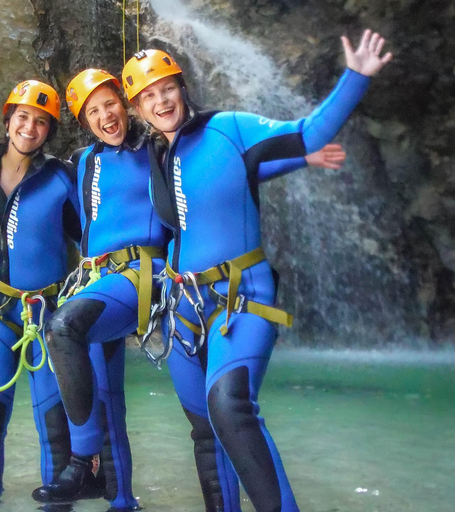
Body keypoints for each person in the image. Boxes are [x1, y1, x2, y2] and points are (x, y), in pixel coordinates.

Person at [36, 69, 345, 512]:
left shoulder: (158, 146)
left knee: (225, 410)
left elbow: (227, 165)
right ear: (83, 121)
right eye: (93, 111)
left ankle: (83, 462)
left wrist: (299, 157)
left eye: (111, 103)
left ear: (129, 107)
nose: (106, 115)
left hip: (148, 279)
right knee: (115, 397)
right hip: (101, 283)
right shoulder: (82, 163)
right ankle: (116, 497)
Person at [121, 30, 392, 512]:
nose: (160, 100)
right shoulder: (157, 156)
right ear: (138, 110)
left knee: (229, 405)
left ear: (182, 88)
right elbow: (221, 186)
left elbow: (305, 133)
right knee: (205, 430)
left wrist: (356, 77)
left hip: (240, 297)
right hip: (182, 308)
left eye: (166, 88)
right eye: (147, 96)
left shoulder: (229, 127)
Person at [0, 79, 119, 509]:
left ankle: (57, 502)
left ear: (49, 132)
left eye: (42, 122)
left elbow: (93, 232)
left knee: (54, 418)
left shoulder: (62, 178)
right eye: (23, 117)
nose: (30, 127)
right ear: (7, 121)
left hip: (46, 310)